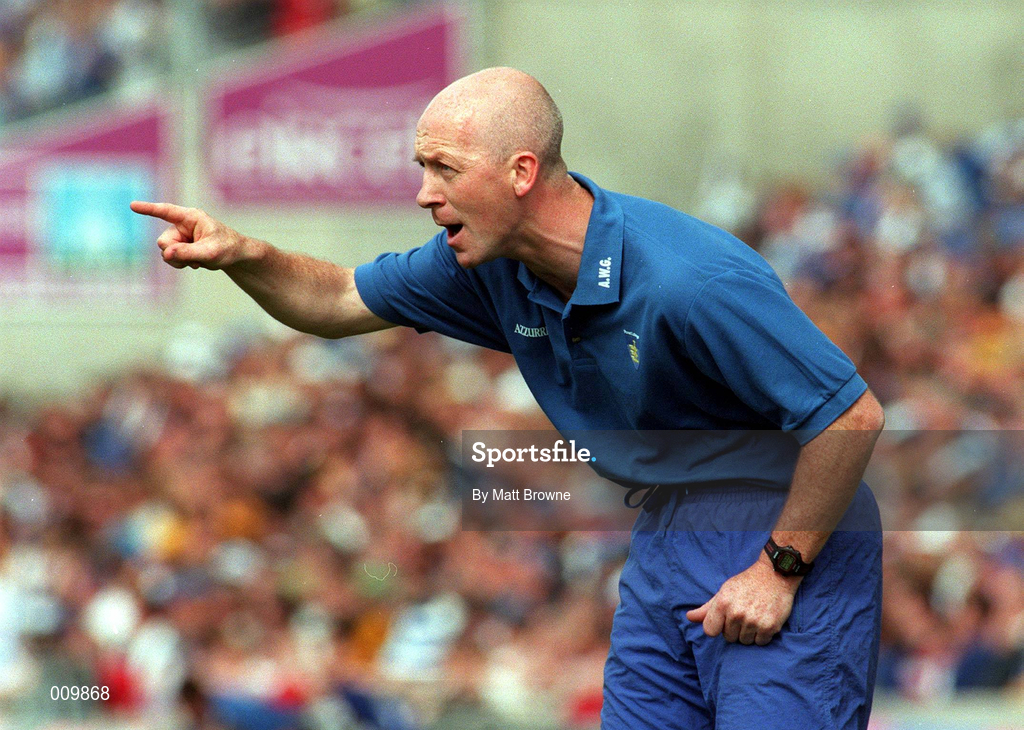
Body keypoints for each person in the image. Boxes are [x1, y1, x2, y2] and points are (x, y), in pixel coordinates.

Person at [131, 67, 885, 729]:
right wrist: (245, 255)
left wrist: (778, 566)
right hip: (665, 530)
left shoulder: (688, 280)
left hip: (785, 522)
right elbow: (336, 300)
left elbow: (851, 416)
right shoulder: (486, 264)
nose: (425, 194)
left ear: (521, 171)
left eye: (443, 168)